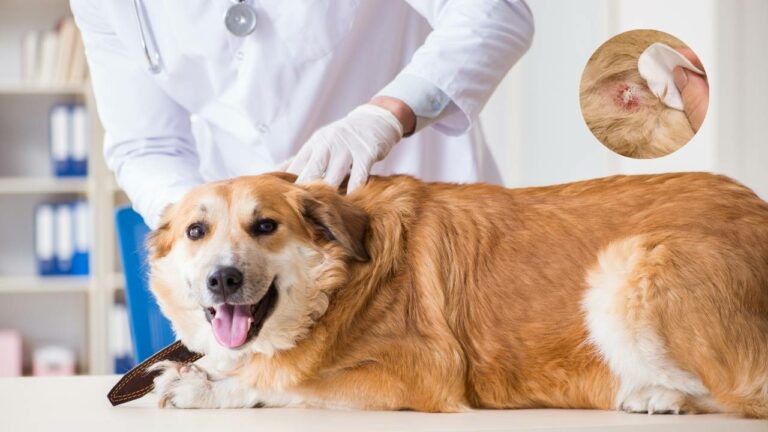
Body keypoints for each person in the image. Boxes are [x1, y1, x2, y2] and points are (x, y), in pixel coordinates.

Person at [71, 0, 534, 228]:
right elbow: (146, 145)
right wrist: (201, 227)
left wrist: (382, 117)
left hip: (418, 218)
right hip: (259, 253)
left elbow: (493, 14)